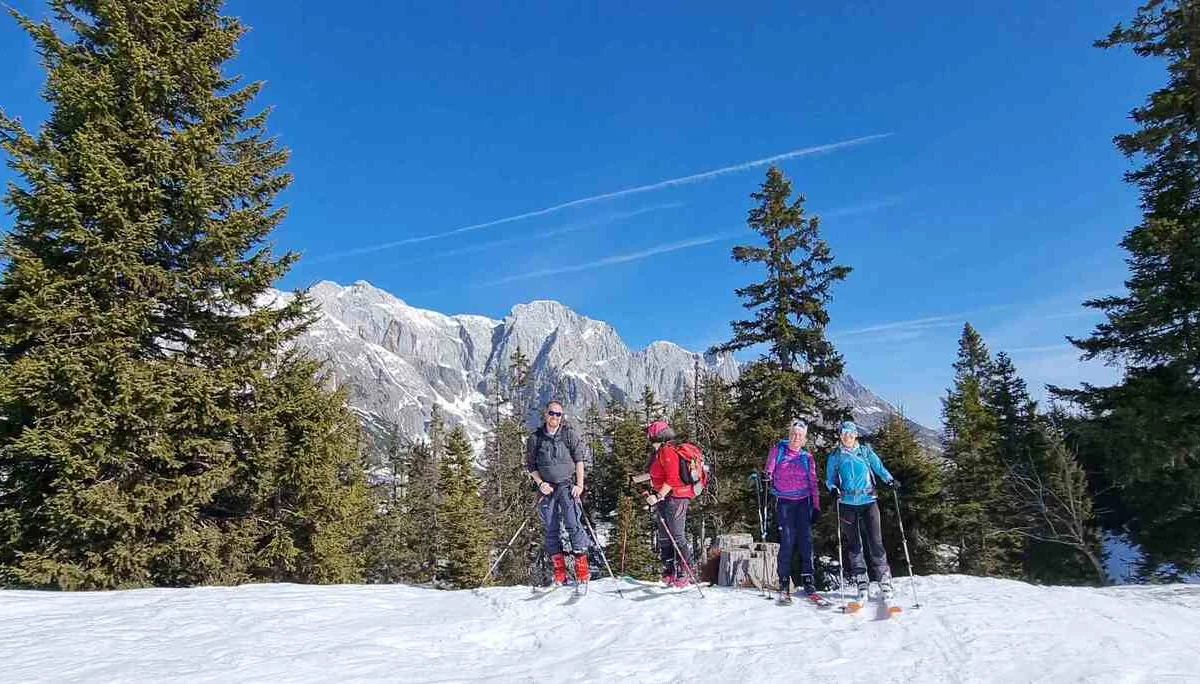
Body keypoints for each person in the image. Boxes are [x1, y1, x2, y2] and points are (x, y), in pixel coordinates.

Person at [825, 420, 900, 601]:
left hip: (868, 501)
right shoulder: (836, 456)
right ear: (840, 436)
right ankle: (861, 580)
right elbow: (829, 479)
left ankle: (884, 579)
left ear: (855, 435)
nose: (847, 437)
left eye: (850, 434)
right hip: (847, 503)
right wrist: (833, 489)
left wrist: (890, 480)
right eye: (844, 434)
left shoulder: (865, 451)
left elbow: (879, 468)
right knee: (854, 543)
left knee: (875, 540)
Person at [525, 400, 589, 587]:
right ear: (546, 414)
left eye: (558, 414)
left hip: (567, 485)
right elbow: (531, 466)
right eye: (552, 413)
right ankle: (559, 572)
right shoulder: (535, 438)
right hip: (547, 488)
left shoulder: (568, 435)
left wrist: (580, 484)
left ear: (562, 417)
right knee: (551, 527)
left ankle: (582, 569)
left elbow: (579, 460)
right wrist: (540, 483)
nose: (555, 417)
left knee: (573, 523)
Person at [764, 418, 821, 602]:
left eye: (800, 435)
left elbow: (813, 483)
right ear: (790, 435)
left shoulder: (807, 457)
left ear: (804, 439)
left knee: (806, 541)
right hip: (785, 502)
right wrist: (767, 475)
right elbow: (769, 468)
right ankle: (783, 580)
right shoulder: (778, 450)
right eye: (794, 434)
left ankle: (808, 579)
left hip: (804, 502)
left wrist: (817, 505)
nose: (797, 438)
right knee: (787, 541)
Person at [644, 419, 695, 587]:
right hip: (666, 497)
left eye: (649, 434)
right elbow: (658, 475)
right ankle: (669, 570)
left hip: (676, 496)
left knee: (676, 534)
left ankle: (684, 570)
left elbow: (672, 479)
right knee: (665, 535)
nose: (648, 437)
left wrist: (658, 496)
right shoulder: (659, 452)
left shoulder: (667, 451)